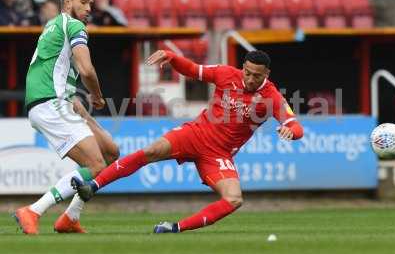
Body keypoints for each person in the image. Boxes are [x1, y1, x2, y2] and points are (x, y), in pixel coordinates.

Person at [73, 49, 304, 233]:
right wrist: (172, 57)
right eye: (247, 72)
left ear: (267, 74)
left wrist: (290, 131)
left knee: (234, 199)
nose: (251, 79)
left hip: (218, 154)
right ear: (243, 67)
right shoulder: (225, 74)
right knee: (152, 150)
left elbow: (295, 126)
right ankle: (93, 186)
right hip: (194, 133)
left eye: (257, 75)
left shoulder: (272, 97)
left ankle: (175, 227)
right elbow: (193, 70)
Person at [13, 0, 120, 235]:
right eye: (84, 2)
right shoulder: (73, 26)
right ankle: (33, 210)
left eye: (91, 4)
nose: (88, 9)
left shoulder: (53, 26)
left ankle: (70, 217)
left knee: (110, 153)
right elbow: (87, 70)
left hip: (58, 101)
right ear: (67, 3)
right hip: (51, 102)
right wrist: (98, 97)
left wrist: (82, 110)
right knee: (95, 164)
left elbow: (63, 72)